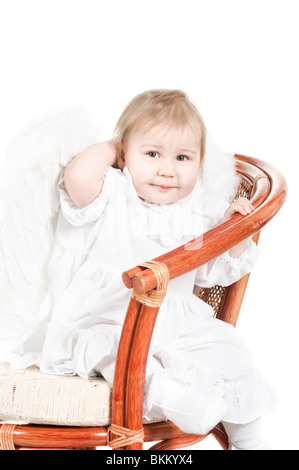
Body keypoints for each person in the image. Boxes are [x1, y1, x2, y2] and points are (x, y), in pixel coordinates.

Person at [1, 90, 276, 449]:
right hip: (105, 318)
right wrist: (112, 147)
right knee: (113, 349)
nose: (167, 169)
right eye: (151, 154)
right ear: (124, 157)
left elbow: (214, 272)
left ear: (200, 163)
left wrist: (235, 231)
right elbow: (78, 178)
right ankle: (167, 396)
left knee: (231, 348)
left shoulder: (200, 212)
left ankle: (248, 439)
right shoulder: (114, 193)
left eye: (183, 157)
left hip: (178, 324)